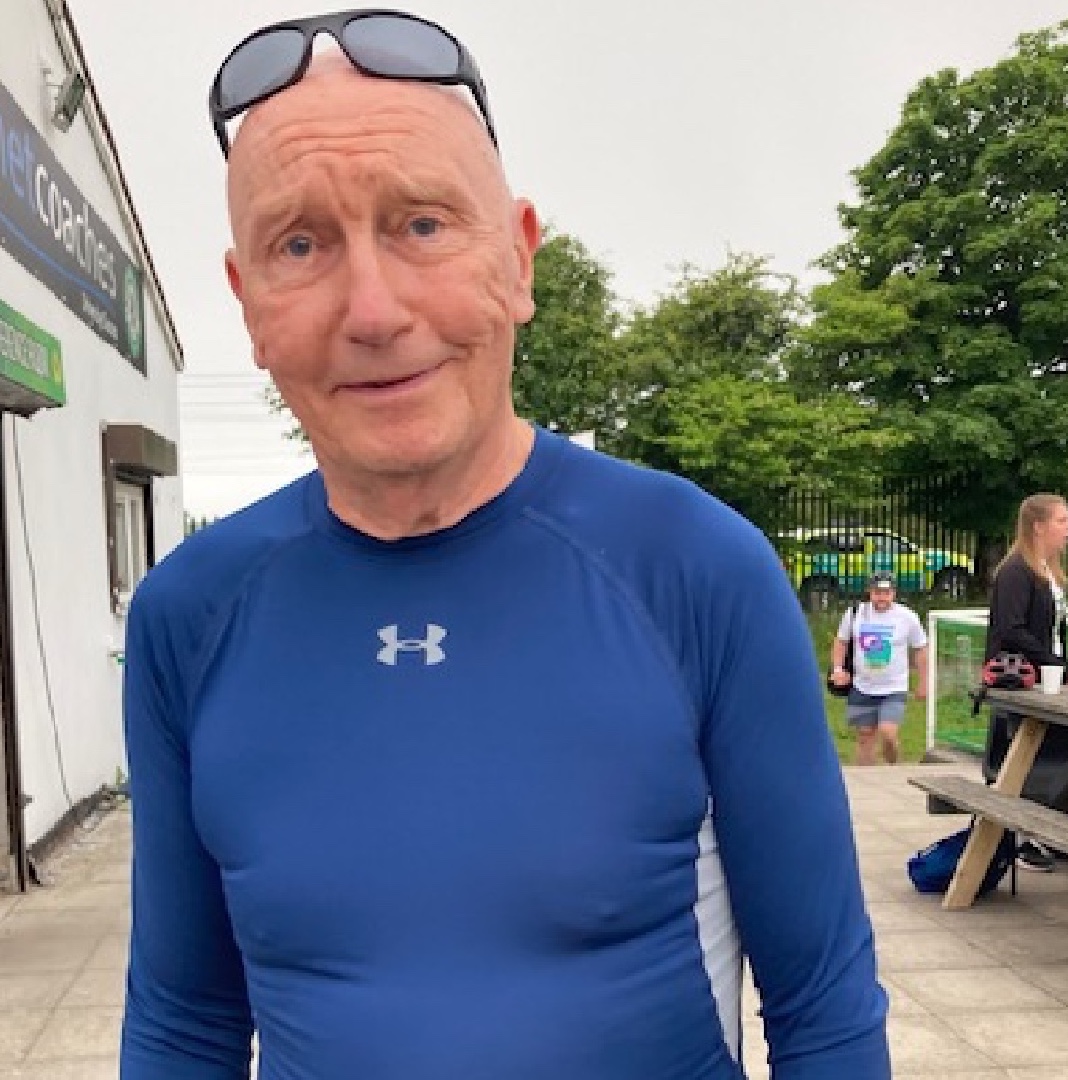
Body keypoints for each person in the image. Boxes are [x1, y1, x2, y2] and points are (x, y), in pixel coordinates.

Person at [119, 10, 889, 1079]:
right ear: (249, 305)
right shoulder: (188, 614)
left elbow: (825, 1008)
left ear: (518, 258)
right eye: (301, 244)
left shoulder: (696, 569)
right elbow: (182, 1021)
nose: (374, 309)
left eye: (423, 225)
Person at [984, 492, 1068, 871]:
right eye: (1062, 520)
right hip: (1021, 680)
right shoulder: (1015, 573)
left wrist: (1063, 666)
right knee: (1025, 754)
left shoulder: (1049, 573)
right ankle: (1021, 838)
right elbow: (1011, 630)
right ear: (1038, 526)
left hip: (1049, 677)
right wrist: (1052, 662)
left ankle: (1051, 828)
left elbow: (1052, 631)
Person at [829, 572, 928, 765]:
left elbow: (921, 649)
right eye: (877, 592)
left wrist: (924, 682)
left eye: (886, 592)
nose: (881, 597)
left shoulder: (907, 617)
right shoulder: (856, 613)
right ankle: (867, 777)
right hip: (862, 685)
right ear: (869, 592)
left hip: (894, 687)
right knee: (865, 736)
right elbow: (841, 642)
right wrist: (838, 669)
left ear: (894, 594)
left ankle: (893, 767)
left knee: (888, 732)